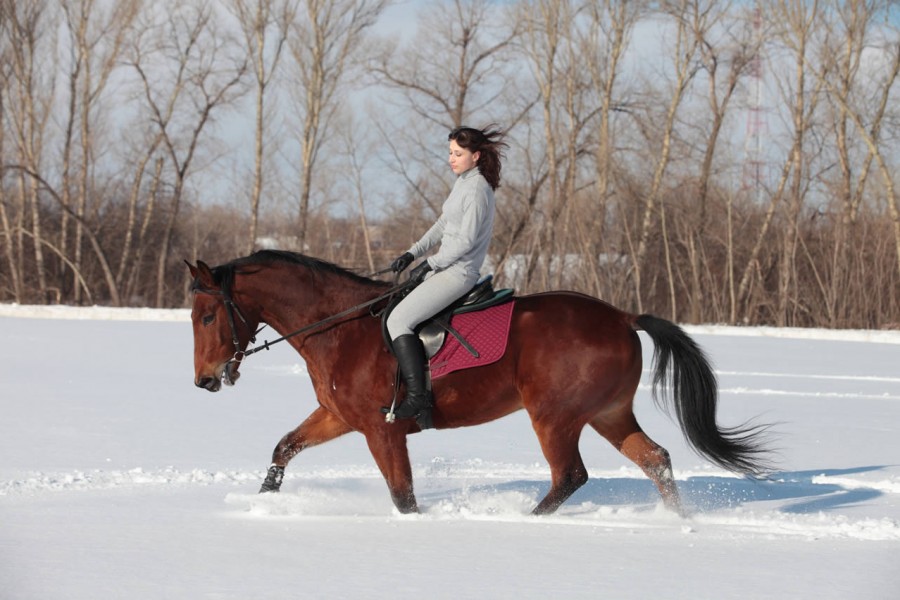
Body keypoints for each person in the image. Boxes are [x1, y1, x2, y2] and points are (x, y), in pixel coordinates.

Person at [385, 125, 508, 429]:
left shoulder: (477, 190)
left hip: (458, 273)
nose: (451, 159)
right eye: (450, 153)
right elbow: (443, 225)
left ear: (475, 156)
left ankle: (418, 397)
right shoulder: (463, 183)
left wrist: (430, 263)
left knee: (398, 321)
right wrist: (412, 253)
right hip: (444, 268)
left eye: (458, 153)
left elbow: (465, 242)